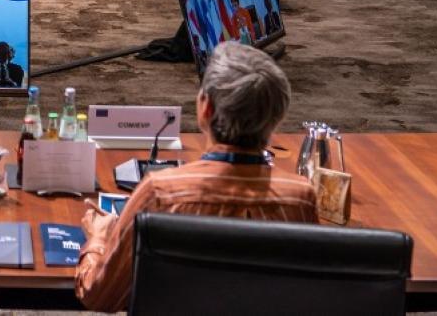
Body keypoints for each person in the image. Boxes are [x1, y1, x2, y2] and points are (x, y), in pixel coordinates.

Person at [76, 43, 316, 312]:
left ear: (205, 108)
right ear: (278, 117)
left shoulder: (160, 193)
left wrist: (98, 238)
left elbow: (99, 295)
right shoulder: (301, 197)